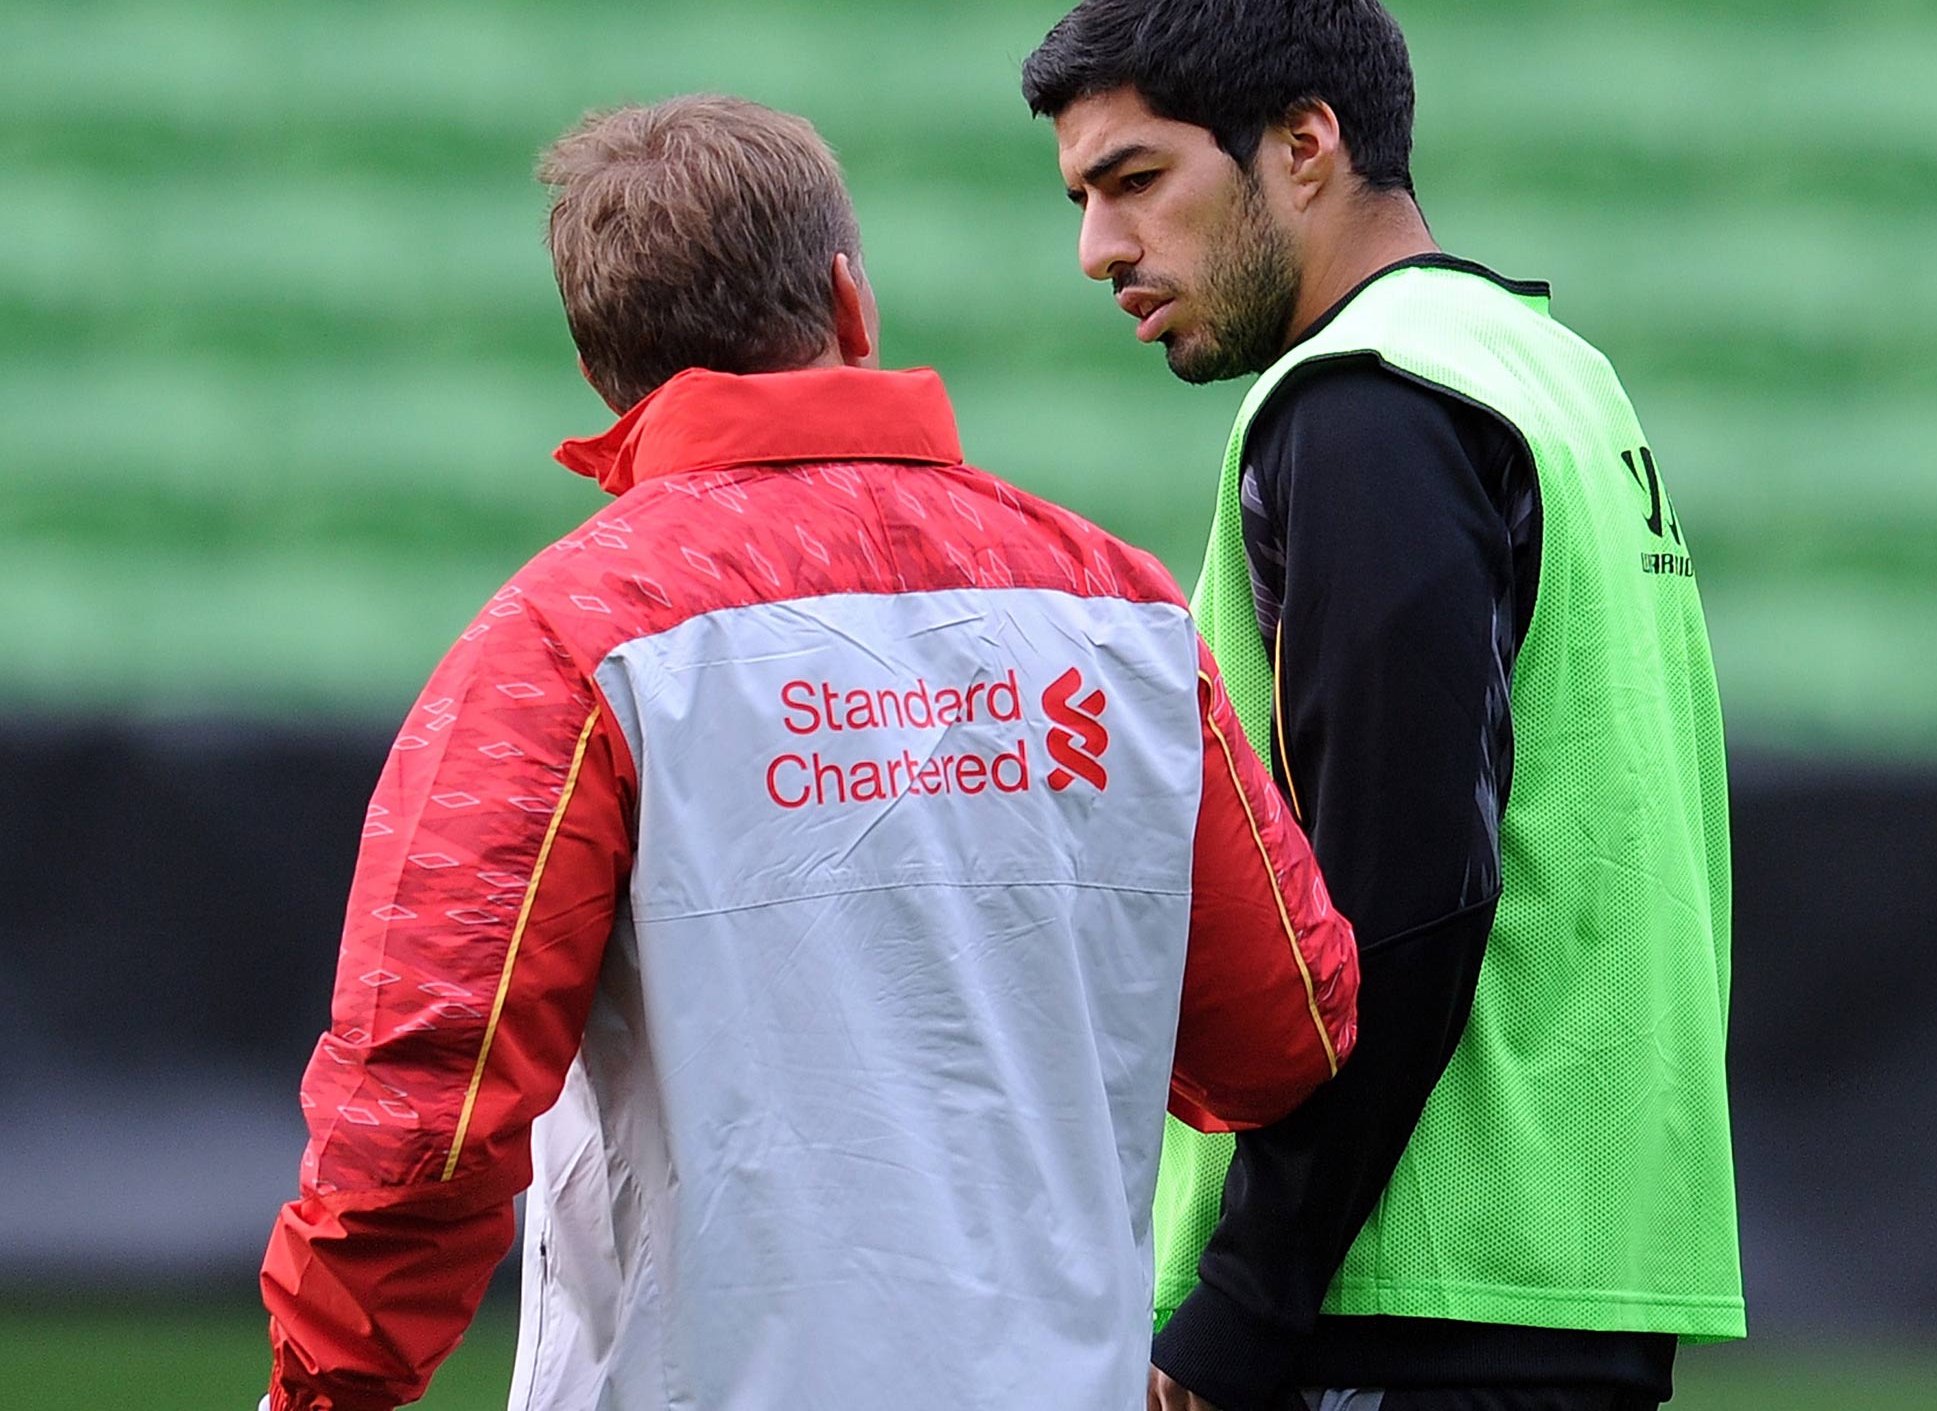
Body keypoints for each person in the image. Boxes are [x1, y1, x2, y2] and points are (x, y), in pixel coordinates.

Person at [256, 93, 1361, 1411]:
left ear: (603, 368)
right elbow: (1285, 1033)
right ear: (852, 303)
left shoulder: (563, 644)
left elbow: (423, 1120)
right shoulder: (1120, 612)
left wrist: (319, 1391)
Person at [1022, 0, 1743, 1411]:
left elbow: (1403, 890)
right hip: (1559, 1273)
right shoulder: (1552, 372)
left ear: (1304, 144)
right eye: (1084, 197)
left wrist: (1247, 1299)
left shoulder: (1368, 406)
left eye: (1136, 181)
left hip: (1402, 1299)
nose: (1098, 248)